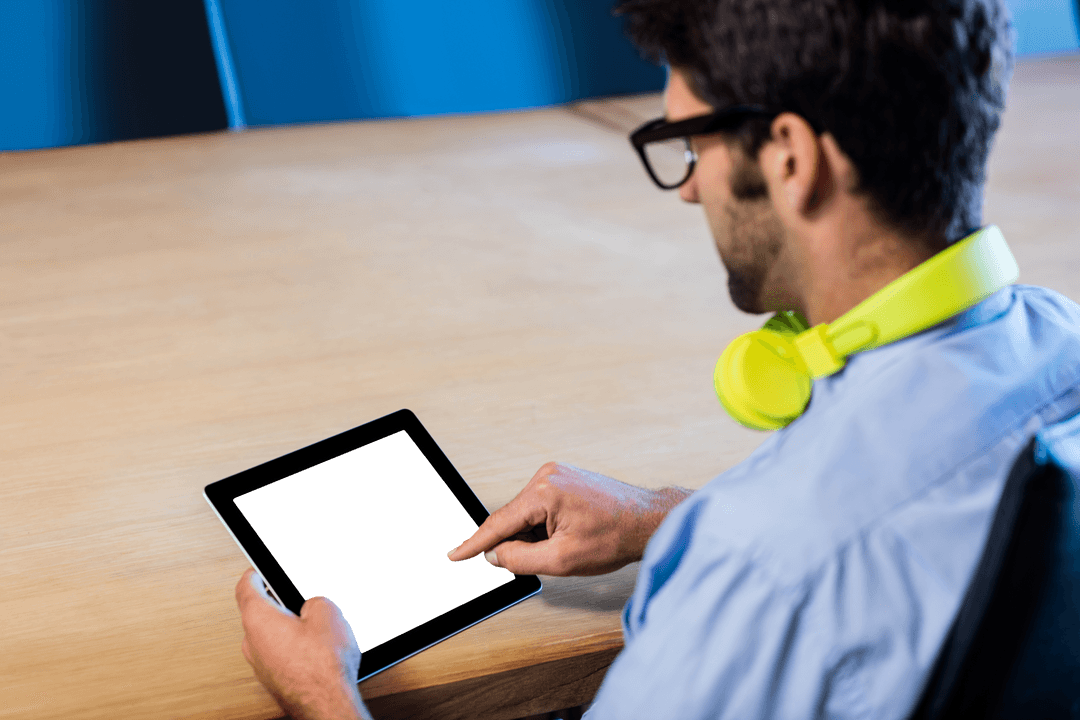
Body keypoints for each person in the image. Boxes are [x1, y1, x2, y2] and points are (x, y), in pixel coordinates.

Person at [233, 1, 1080, 718]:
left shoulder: (758, 570)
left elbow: (800, 561)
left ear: (792, 158)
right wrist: (664, 519)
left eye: (692, 144)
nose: (688, 188)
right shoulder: (1063, 347)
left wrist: (325, 697)